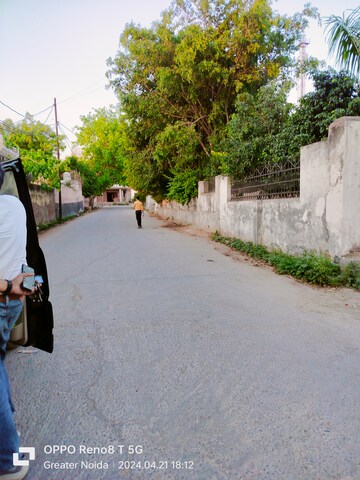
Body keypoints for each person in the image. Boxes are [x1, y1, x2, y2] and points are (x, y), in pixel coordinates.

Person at [0, 163, 35, 480]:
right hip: (14, 299)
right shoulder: (13, 204)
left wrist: (5, 285)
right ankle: (7, 421)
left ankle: (6, 459)